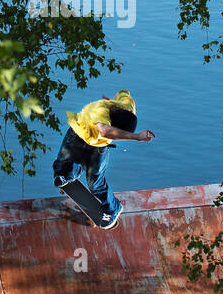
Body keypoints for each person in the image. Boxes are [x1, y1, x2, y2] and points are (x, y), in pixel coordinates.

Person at [52, 90, 155, 228]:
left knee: (95, 183)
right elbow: (105, 132)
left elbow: (124, 94)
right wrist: (136, 137)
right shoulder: (99, 112)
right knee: (63, 162)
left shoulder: (127, 105)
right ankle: (68, 173)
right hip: (78, 133)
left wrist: (112, 99)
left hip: (99, 147)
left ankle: (113, 208)